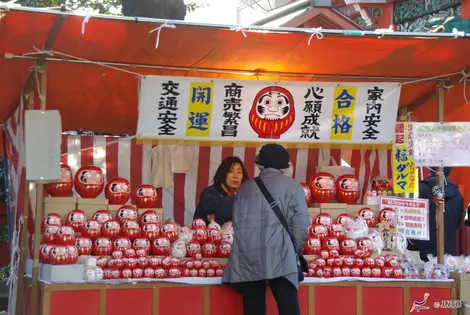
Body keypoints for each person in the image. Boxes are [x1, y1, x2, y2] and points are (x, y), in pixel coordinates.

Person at [222, 144, 309, 315]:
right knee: (288, 306)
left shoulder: (244, 188)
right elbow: (301, 223)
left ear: (260, 163)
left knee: (253, 308)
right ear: (284, 165)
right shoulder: (293, 186)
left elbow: (237, 223)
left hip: (248, 254)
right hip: (282, 253)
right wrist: (295, 249)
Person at [409, 167, 464, 261]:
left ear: (429, 169)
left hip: (420, 252)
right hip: (448, 253)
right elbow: (457, 223)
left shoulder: (419, 189)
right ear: (450, 170)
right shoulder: (458, 195)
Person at [193, 156, 249, 226]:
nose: (236, 176)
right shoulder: (210, 192)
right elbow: (213, 218)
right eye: (231, 171)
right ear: (222, 173)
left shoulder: (244, 194)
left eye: (239, 172)